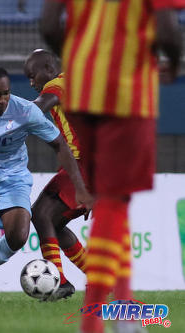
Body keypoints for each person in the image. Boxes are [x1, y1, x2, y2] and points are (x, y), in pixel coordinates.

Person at [42, 1, 182, 332]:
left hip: (80, 93)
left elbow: (48, 24)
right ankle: (94, 320)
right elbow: (167, 29)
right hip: (127, 95)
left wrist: (81, 59)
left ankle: (124, 304)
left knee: (111, 201)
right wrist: (174, 63)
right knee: (114, 203)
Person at [0, 66, 93, 302]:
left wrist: (25, 114)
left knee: (22, 233)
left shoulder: (39, 98)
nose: (3, 100)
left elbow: (53, 130)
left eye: (7, 93)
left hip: (15, 176)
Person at [24, 49, 89, 300]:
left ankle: (58, 283)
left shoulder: (57, 84)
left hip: (83, 164)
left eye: (32, 76)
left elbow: (37, 108)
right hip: (85, 164)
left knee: (41, 215)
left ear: (49, 68)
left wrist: (4, 111)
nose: (31, 83)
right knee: (54, 222)